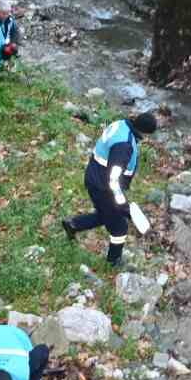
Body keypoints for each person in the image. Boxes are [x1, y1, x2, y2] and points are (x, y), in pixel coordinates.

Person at [62, 112, 158, 267]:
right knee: (119, 226)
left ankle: (73, 224)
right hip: (103, 186)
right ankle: (114, 261)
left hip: (94, 176)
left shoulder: (122, 124)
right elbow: (113, 180)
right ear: (144, 132)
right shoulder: (124, 146)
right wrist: (123, 204)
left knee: (105, 215)